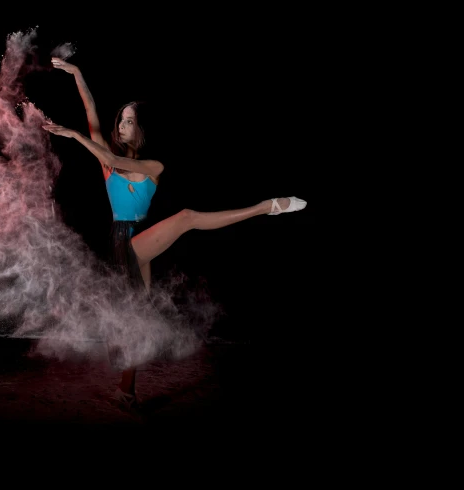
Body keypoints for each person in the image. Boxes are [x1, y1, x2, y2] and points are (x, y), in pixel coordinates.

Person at [42, 57, 306, 410]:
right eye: (120, 119)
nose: (121, 125)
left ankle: (265, 207)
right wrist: (76, 73)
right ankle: (128, 392)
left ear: (143, 129)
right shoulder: (107, 162)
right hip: (123, 243)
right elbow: (91, 111)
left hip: (140, 239)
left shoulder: (152, 166)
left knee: (181, 228)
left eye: (129, 121)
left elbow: (120, 162)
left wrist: (74, 135)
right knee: (148, 293)